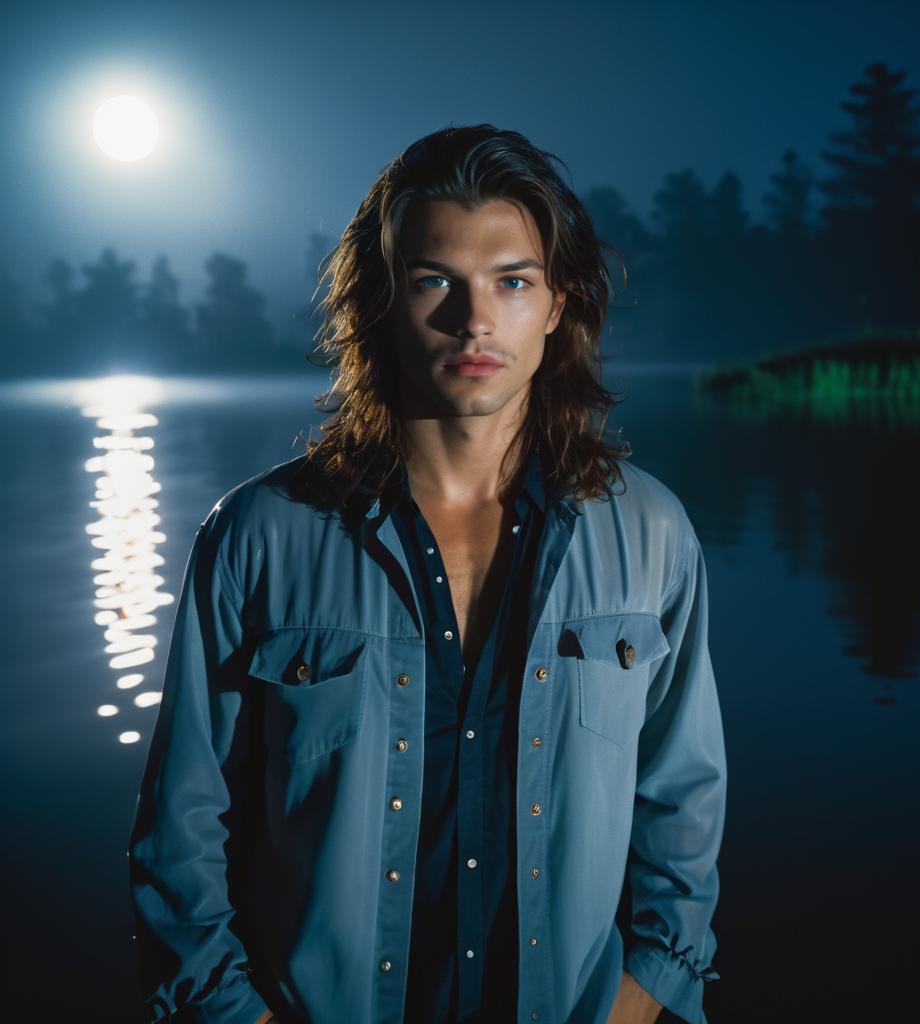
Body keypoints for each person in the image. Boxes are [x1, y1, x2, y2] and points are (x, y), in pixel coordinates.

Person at [128, 123, 726, 1024]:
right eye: (433, 281)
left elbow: (682, 797)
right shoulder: (258, 537)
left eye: (512, 282)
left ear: (558, 304)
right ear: (380, 302)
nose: (475, 319)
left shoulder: (652, 533)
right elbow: (183, 824)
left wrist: (644, 995)